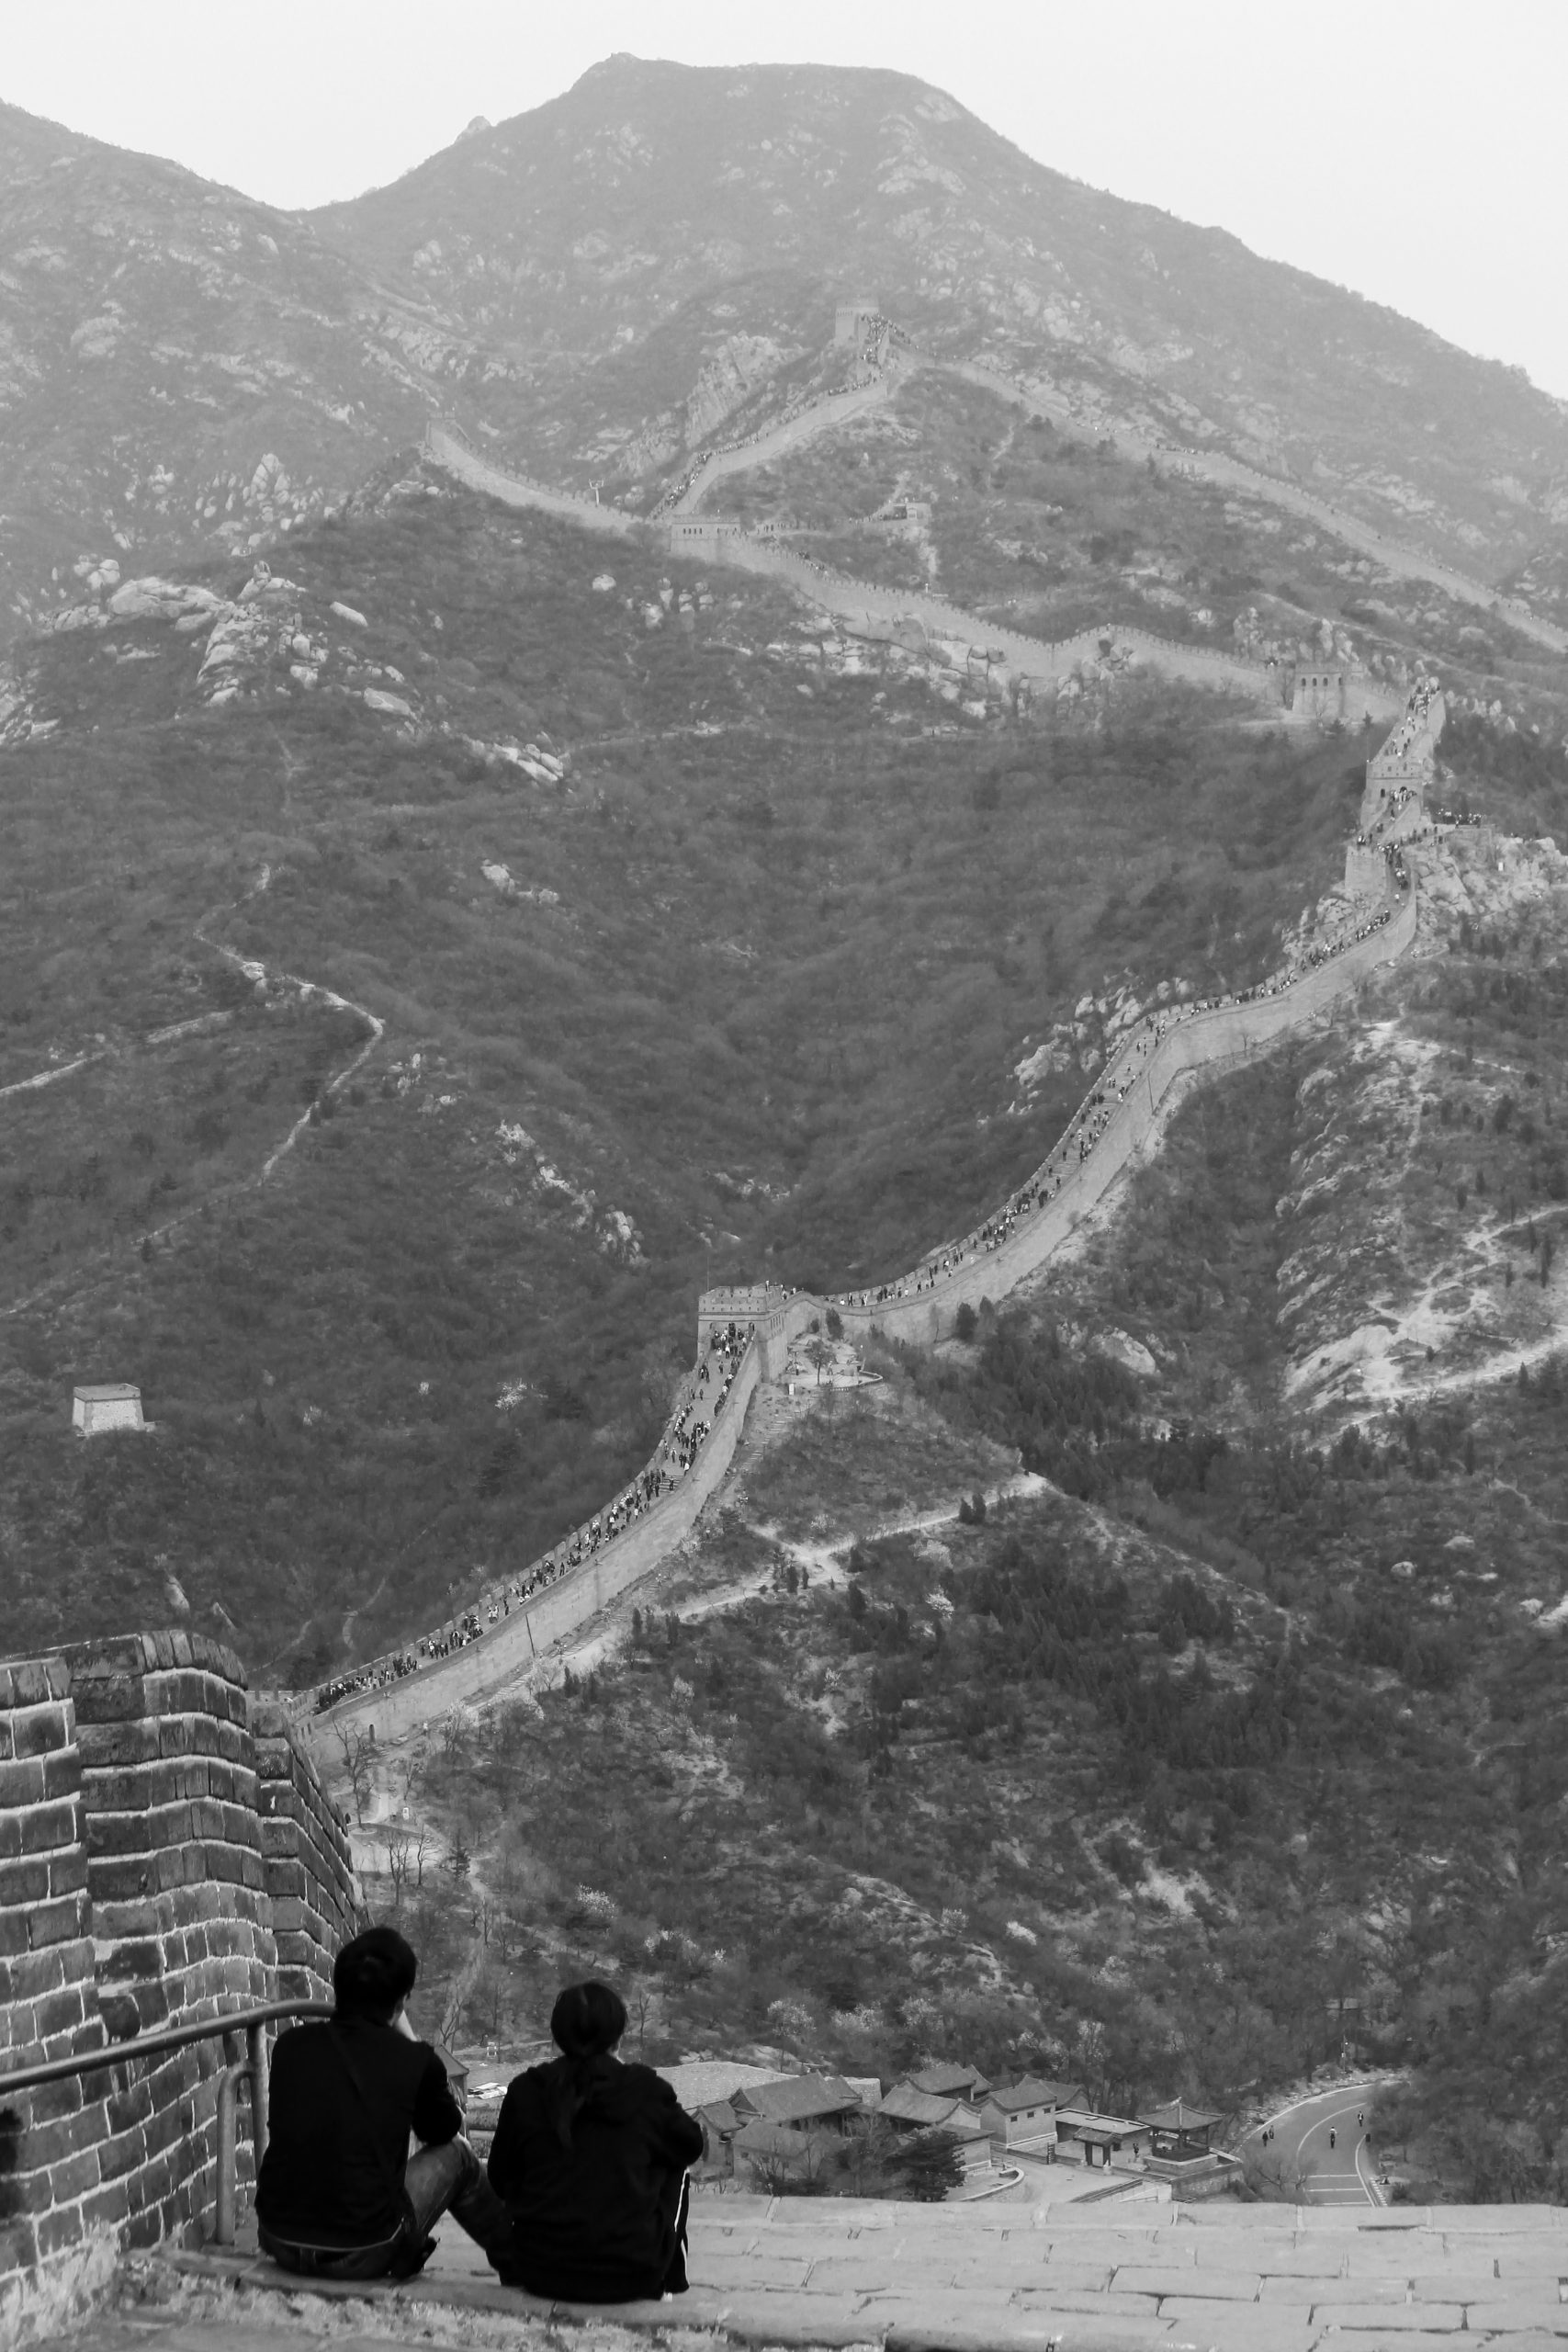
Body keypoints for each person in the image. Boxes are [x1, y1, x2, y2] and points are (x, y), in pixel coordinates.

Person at [255, 1924, 515, 2280]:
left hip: (279, 2239)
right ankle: (518, 2260)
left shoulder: (290, 2046)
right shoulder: (414, 2061)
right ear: (402, 2001)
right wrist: (414, 2047)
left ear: (338, 1987)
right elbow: (442, 2130)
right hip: (363, 2251)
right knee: (460, 2155)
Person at [488, 1981, 703, 2304]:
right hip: (632, 2277)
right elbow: (692, 2146)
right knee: (677, 2161)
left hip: (537, 2271)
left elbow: (500, 2178)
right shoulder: (644, 2090)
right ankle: (668, 2279)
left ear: (558, 2036)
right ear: (619, 2037)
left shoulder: (526, 2090)